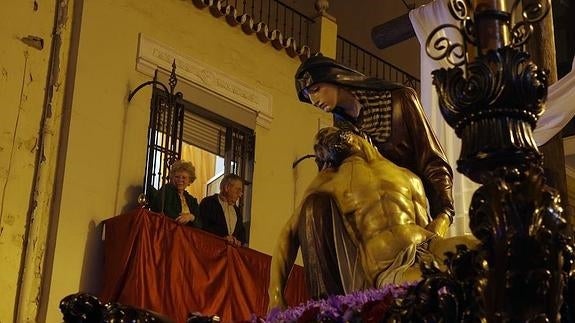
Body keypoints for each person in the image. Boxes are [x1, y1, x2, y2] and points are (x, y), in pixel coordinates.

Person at [268, 128, 476, 309]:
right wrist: (275, 296)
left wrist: (442, 219)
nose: (323, 138)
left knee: (476, 246)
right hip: (393, 266)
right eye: (320, 143)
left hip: (428, 244)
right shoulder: (330, 178)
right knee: (436, 281)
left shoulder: (407, 175)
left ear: (358, 135)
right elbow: (289, 232)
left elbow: (426, 226)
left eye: (329, 133)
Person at [294, 54, 454, 237]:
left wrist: (443, 215)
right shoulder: (343, 130)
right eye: (309, 96)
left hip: (409, 211)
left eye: (315, 89)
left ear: (334, 78)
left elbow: (432, 159)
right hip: (370, 224)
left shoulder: (400, 100)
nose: (314, 101)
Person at [150, 160, 202, 228]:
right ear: (172, 178)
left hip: (187, 237)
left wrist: (191, 217)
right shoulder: (166, 190)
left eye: (184, 177)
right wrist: (183, 218)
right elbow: (165, 211)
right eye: (177, 177)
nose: (180, 180)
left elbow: (200, 224)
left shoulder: (192, 200)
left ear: (189, 181)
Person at [199, 173, 247, 247]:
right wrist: (221, 238)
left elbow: (241, 234)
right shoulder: (208, 203)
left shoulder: (237, 211)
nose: (240, 194)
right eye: (238, 190)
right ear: (227, 187)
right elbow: (202, 227)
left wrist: (238, 241)